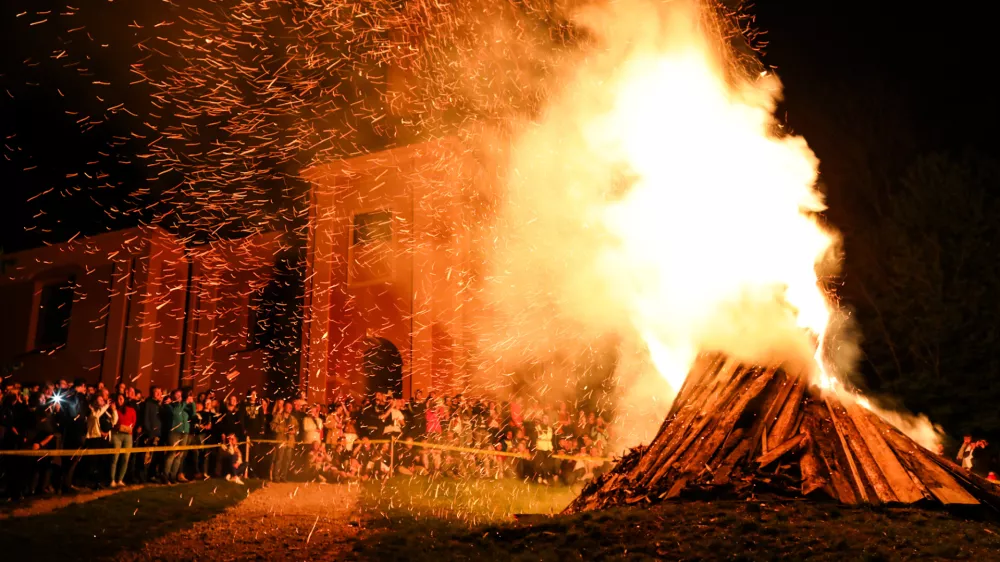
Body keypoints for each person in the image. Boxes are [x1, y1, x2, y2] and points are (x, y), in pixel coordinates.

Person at [163, 389, 196, 483]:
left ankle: (173, 476)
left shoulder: (184, 406)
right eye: (176, 394)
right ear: (173, 396)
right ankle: (165, 475)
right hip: (174, 432)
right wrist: (185, 402)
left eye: (180, 395)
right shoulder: (171, 405)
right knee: (171, 454)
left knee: (179, 455)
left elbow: (193, 414)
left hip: (184, 432)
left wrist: (192, 402)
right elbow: (176, 412)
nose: (179, 396)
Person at [109, 393, 136, 487]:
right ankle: (112, 479)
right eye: (118, 399)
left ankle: (120, 479)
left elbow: (133, 421)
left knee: (125, 458)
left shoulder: (131, 410)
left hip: (128, 435)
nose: (120, 401)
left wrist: (127, 427)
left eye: (121, 399)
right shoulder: (114, 410)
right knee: (115, 457)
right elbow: (113, 422)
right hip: (117, 435)